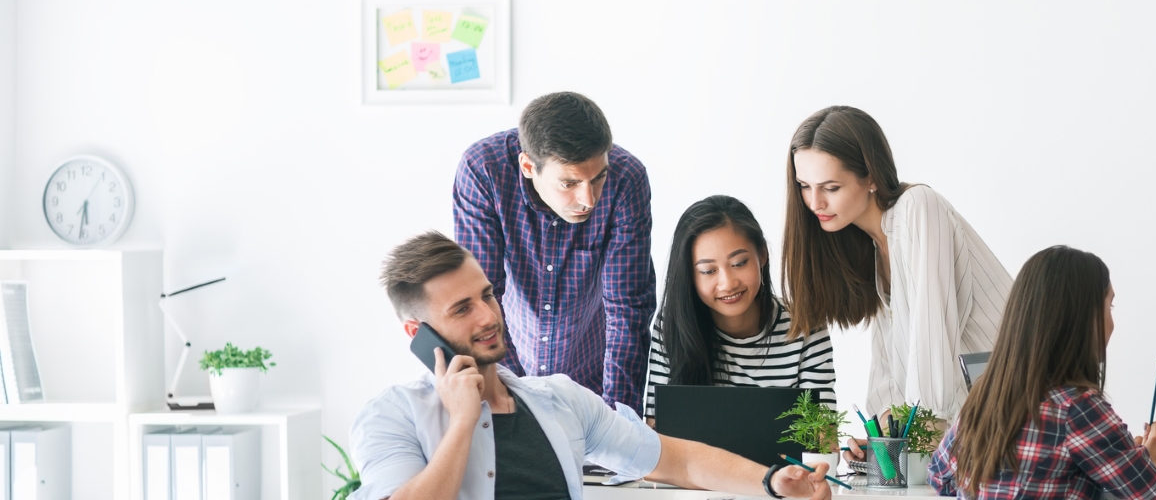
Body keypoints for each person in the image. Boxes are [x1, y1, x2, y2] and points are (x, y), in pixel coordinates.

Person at [351, 231, 832, 500]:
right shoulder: (392, 416)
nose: (488, 316)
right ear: (418, 334)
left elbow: (678, 460)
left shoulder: (557, 399)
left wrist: (770, 481)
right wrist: (461, 421)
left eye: (487, 295)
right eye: (461, 309)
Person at [782, 105, 1011, 431]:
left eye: (830, 188)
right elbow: (890, 369)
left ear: (871, 177)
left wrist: (917, 434)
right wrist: (881, 438)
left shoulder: (918, 208)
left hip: (1023, 421)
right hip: (974, 434)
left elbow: (932, 341)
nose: (814, 203)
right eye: (805, 186)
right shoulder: (872, 249)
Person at [928, 245, 1156, 499]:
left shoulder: (983, 399)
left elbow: (939, 478)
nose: (1112, 322)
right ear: (1085, 319)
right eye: (1110, 306)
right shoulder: (1077, 409)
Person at [453, 92, 655, 413]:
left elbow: (628, 310)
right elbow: (481, 299)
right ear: (529, 166)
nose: (588, 199)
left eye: (598, 177)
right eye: (569, 183)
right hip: (507, 371)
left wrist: (619, 420)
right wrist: (515, 399)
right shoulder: (484, 170)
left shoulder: (627, 179)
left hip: (592, 383)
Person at [644, 195, 835, 422]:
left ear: (762, 255)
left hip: (785, 460)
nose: (728, 283)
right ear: (689, 275)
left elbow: (822, 437)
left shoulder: (806, 325)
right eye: (708, 271)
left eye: (739, 263)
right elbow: (657, 431)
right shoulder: (672, 325)